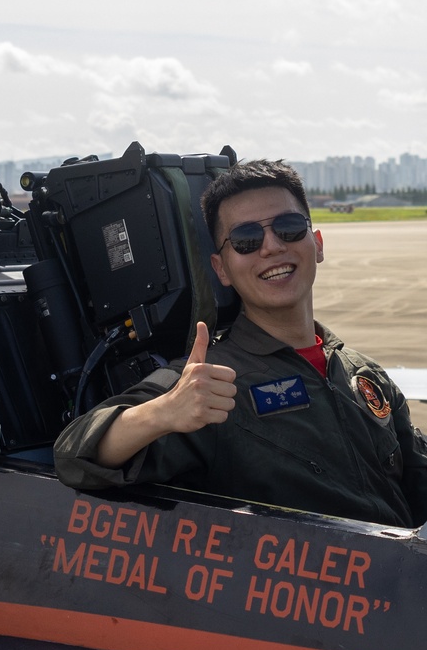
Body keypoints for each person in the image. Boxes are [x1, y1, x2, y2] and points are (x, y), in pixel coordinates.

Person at [55, 158, 427, 528]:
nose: (271, 247)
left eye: (289, 228)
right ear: (222, 269)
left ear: (317, 245)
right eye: (246, 240)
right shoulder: (209, 383)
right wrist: (163, 412)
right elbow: (74, 455)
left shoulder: (364, 375)